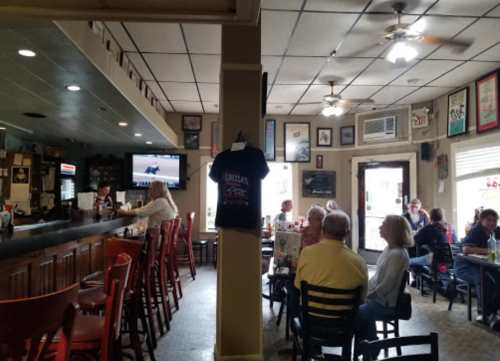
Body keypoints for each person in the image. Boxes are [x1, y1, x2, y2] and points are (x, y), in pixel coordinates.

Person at [287, 211, 368, 322]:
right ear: (347, 233)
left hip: (310, 323)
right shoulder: (360, 262)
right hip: (344, 326)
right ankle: (371, 340)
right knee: (367, 314)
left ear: (323, 231)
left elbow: (298, 286)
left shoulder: (306, 253)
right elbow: (361, 300)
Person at [357, 214, 412, 351]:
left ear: (393, 229)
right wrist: (365, 288)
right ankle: (365, 346)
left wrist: (367, 296)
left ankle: (369, 346)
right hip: (380, 299)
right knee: (356, 305)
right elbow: (376, 277)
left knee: (355, 309)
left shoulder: (397, 254)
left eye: (384, 224)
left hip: (385, 303)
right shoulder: (389, 249)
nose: (380, 227)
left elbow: (387, 285)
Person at [454, 209, 500, 322]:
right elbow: (466, 249)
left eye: (494, 220)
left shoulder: (497, 231)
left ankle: (495, 311)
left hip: (485, 265)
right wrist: (490, 251)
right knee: (484, 279)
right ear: (481, 220)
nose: (492, 223)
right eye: (488, 220)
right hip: (464, 265)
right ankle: (483, 313)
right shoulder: (476, 231)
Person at [409, 208, 458, 288]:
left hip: (436, 258)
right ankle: (442, 281)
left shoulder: (429, 228)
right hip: (452, 259)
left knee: (409, 262)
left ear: (431, 217)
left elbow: (413, 240)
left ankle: (429, 283)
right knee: (428, 259)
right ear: (443, 216)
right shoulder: (450, 226)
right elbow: (455, 242)